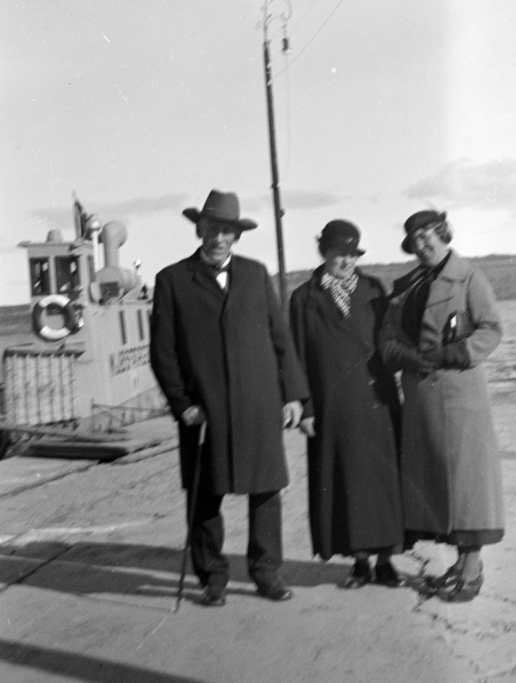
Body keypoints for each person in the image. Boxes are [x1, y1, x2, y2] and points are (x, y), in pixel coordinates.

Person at [149, 189, 310, 608]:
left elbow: (281, 340)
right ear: (199, 230)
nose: (220, 238)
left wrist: (293, 395)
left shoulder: (256, 274)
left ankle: (266, 573)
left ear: (237, 236)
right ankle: (213, 578)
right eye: (212, 229)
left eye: (227, 231)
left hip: (259, 404)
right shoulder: (172, 280)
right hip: (205, 410)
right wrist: (182, 404)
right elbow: (162, 353)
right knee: (205, 496)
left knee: (267, 491)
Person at [379, 209, 505, 602]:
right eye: (415, 240)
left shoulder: (469, 277)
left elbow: (491, 330)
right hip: (421, 400)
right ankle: (459, 564)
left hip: (460, 396)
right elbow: (388, 339)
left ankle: (472, 568)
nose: (423, 244)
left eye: (429, 235)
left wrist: (452, 354)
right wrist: (405, 357)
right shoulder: (406, 286)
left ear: (444, 234)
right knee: (439, 485)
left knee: (467, 485)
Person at [288, 220, 405, 589]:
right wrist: (304, 408)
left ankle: (386, 561)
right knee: (345, 484)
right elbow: (294, 358)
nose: (347, 260)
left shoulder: (374, 290)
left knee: (384, 483)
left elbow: (392, 342)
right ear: (323, 252)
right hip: (331, 406)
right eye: (340, 253)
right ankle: (359, 562)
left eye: (353, 254)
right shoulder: (303, 298)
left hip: (376, 402)